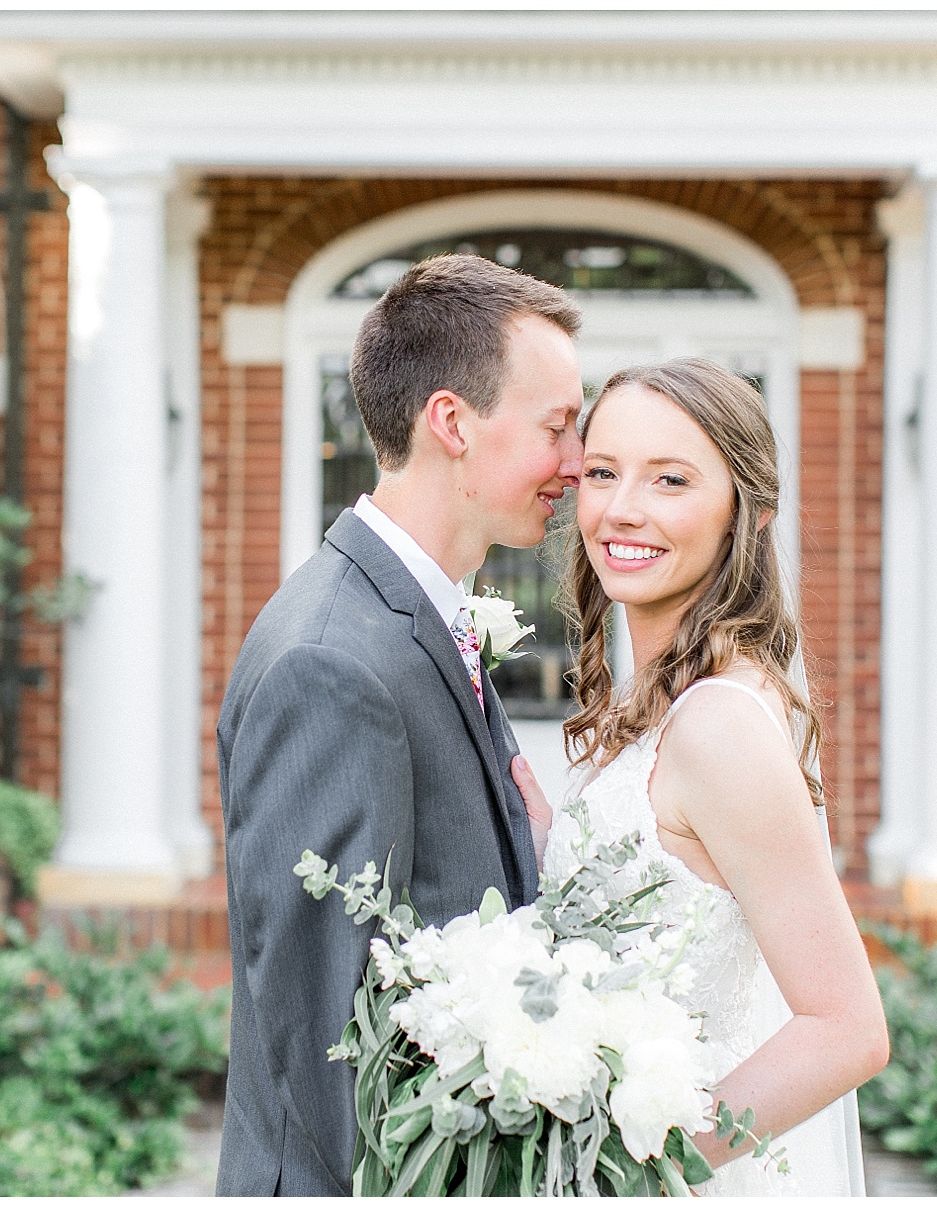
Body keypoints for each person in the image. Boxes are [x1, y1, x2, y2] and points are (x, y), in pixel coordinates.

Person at [215, 254, 580, 1196]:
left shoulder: (413, 616)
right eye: (557, 427)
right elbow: (329, 1039)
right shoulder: (330, 661)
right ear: (452, 422)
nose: (575, 466)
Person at [546, 357, 890, 1196]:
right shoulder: (663, 702)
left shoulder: (717, 724)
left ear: (749, 512)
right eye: (602, 471)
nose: (622, 508)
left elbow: (847, 1029)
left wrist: (634, 1174)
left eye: (670, 479)